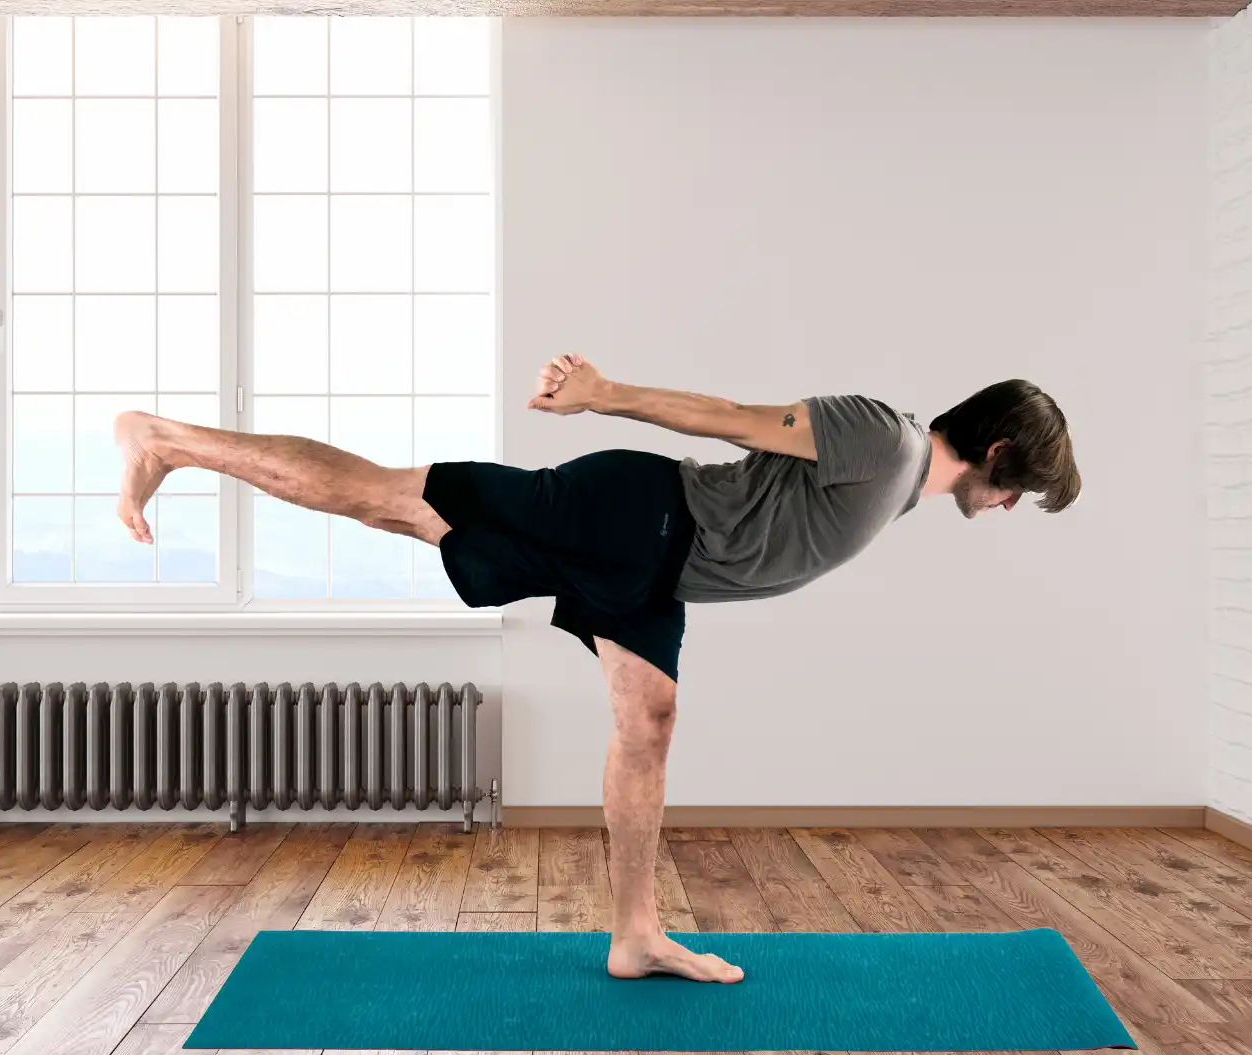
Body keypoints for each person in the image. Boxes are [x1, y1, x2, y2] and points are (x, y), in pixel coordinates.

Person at [113, 354, 1080, 984]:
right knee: (388, 499)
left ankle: (634, 936)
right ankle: (165, 439)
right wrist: (604, 392)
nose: (1006, 508)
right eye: (1018, 493)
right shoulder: (890, 437)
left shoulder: (905, 485)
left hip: (657, 572)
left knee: (648, 721)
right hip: (633, 516)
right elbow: (737, 417)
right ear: (999, 453)